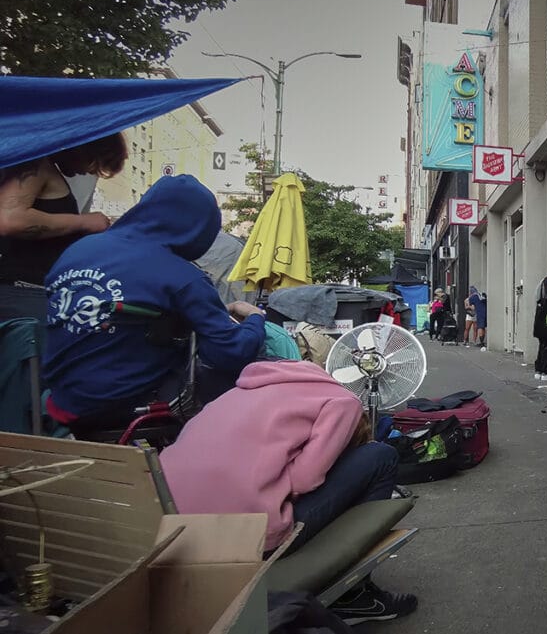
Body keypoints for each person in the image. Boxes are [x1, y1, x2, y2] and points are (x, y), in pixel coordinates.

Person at [159, 359, 417, 625]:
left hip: (175, 533)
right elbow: (305, 480)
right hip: (249, 537)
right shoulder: (342, 402)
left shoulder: (237, 392)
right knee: (380, 455)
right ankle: (355, 596)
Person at [42, 174, 266, 435]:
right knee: (249, 377)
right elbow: (230, 353)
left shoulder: (77, 250)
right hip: (123, 405)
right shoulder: (183, 275)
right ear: (200, 229)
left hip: (62, 400)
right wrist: (255, 319)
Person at [0, 133, 127, 323]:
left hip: (33, 293)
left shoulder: (47, 169)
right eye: (92, 164)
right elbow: (9, 220)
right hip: (23, 292)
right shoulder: (37, 164)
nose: (87, 172)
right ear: (84, 148)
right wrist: (83, 222)